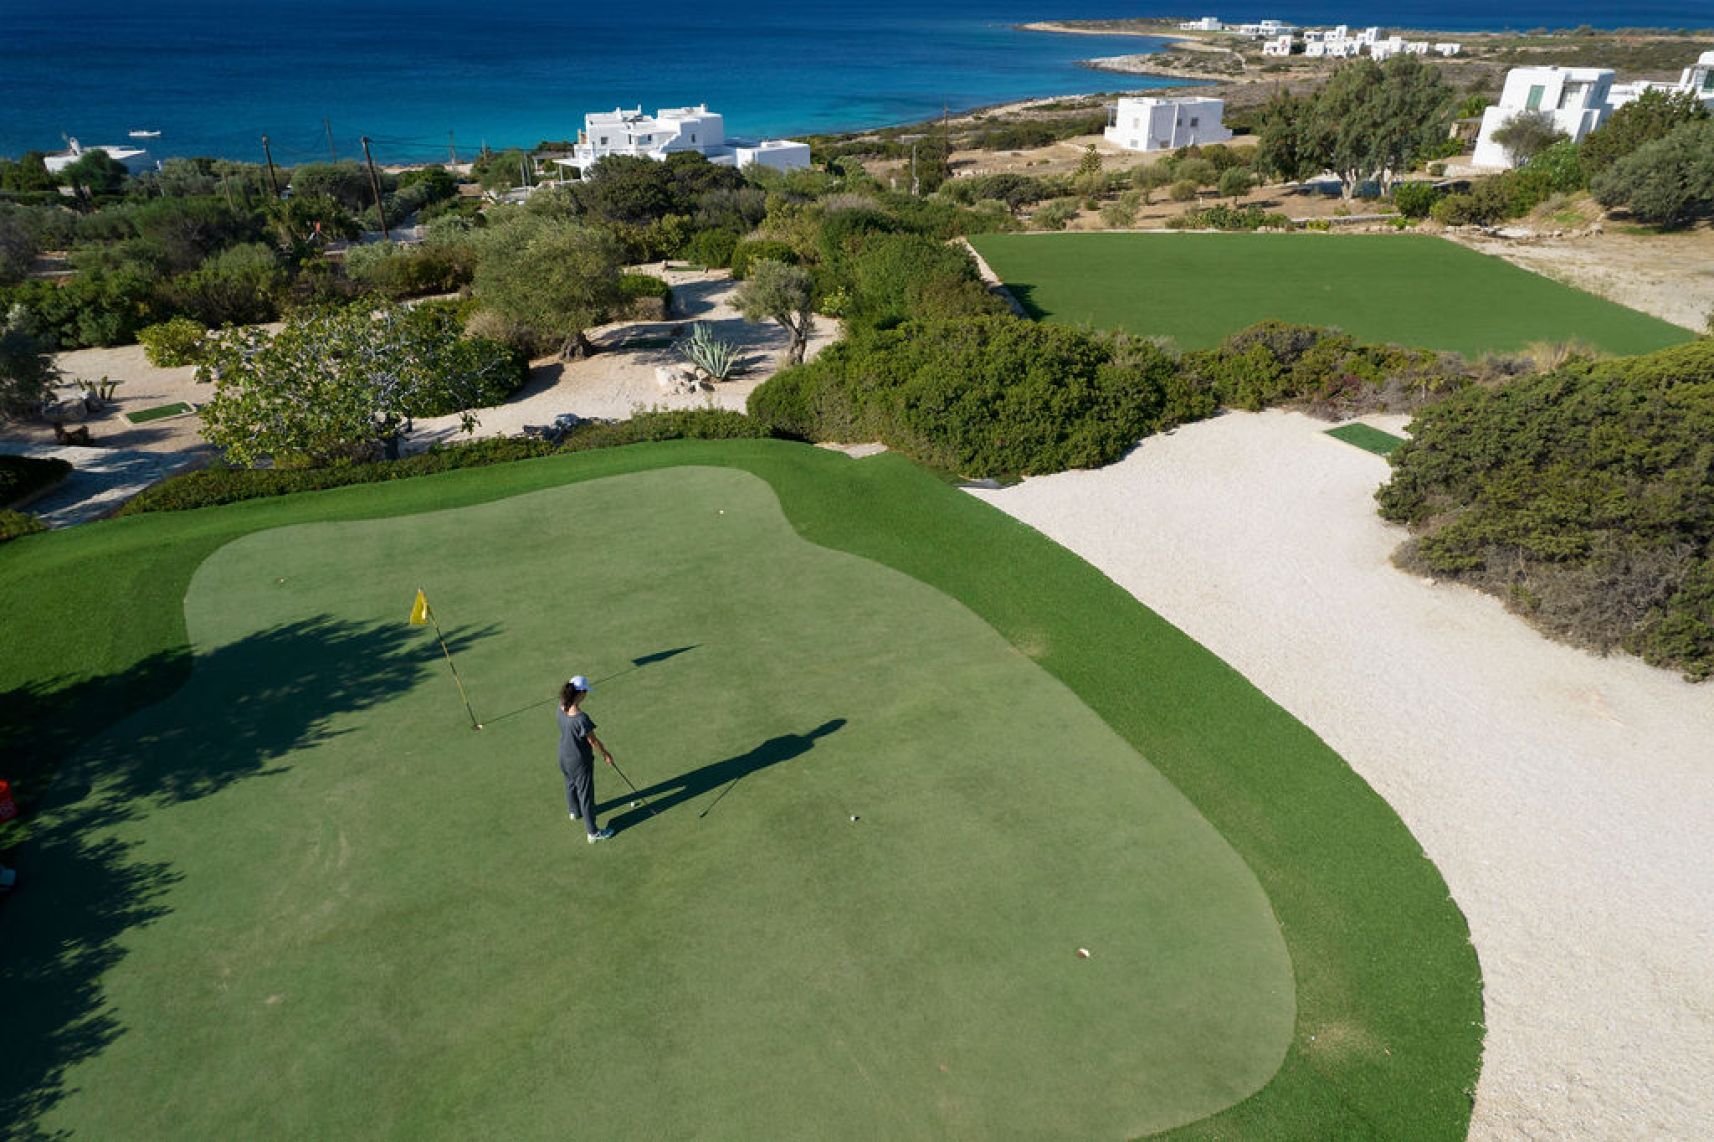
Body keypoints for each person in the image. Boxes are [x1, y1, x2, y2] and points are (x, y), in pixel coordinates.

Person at [557, 675, 614, 843]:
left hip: (563, 755)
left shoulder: (560, 706)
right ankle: (593, 833)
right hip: (580, 762)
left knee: (570, 783)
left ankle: (574, 811)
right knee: (586, 795)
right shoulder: (581, 718)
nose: (586, 695)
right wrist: (606, 754)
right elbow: (593, 741)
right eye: (586, 692)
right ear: (580, 692)